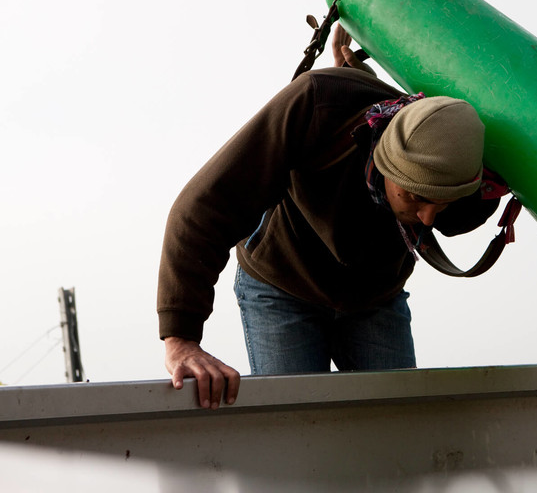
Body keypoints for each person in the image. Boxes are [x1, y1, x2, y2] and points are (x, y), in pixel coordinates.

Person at [157, 24, 500, 409]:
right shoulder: (317, 105)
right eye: (416, 197)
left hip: (375, 296)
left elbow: (451, 220)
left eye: (444, 202)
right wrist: (181, 338)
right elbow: (204, 208)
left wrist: (489, 192)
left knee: (398, 428)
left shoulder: (458, 158)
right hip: (283, 282)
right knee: (297, 428)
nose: (428, 219)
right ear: (388, 165)